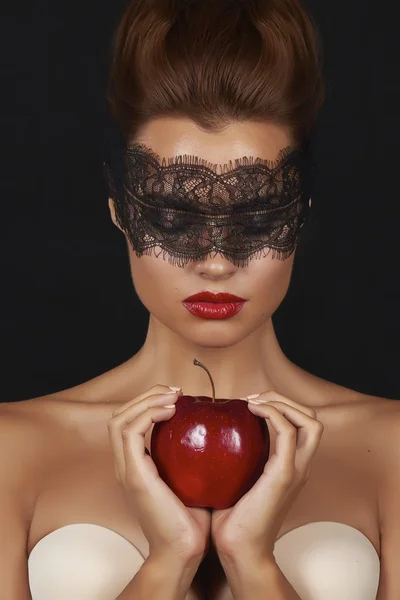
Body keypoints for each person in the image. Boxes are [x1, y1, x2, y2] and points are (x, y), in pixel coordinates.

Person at [1, 0, 399, 598]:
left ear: (302, 213)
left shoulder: (391, 449)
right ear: (119, 212)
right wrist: (170, 558)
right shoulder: (12, 450)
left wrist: (253, 561)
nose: (216, 260)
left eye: (258, 217)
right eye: (172, 216)